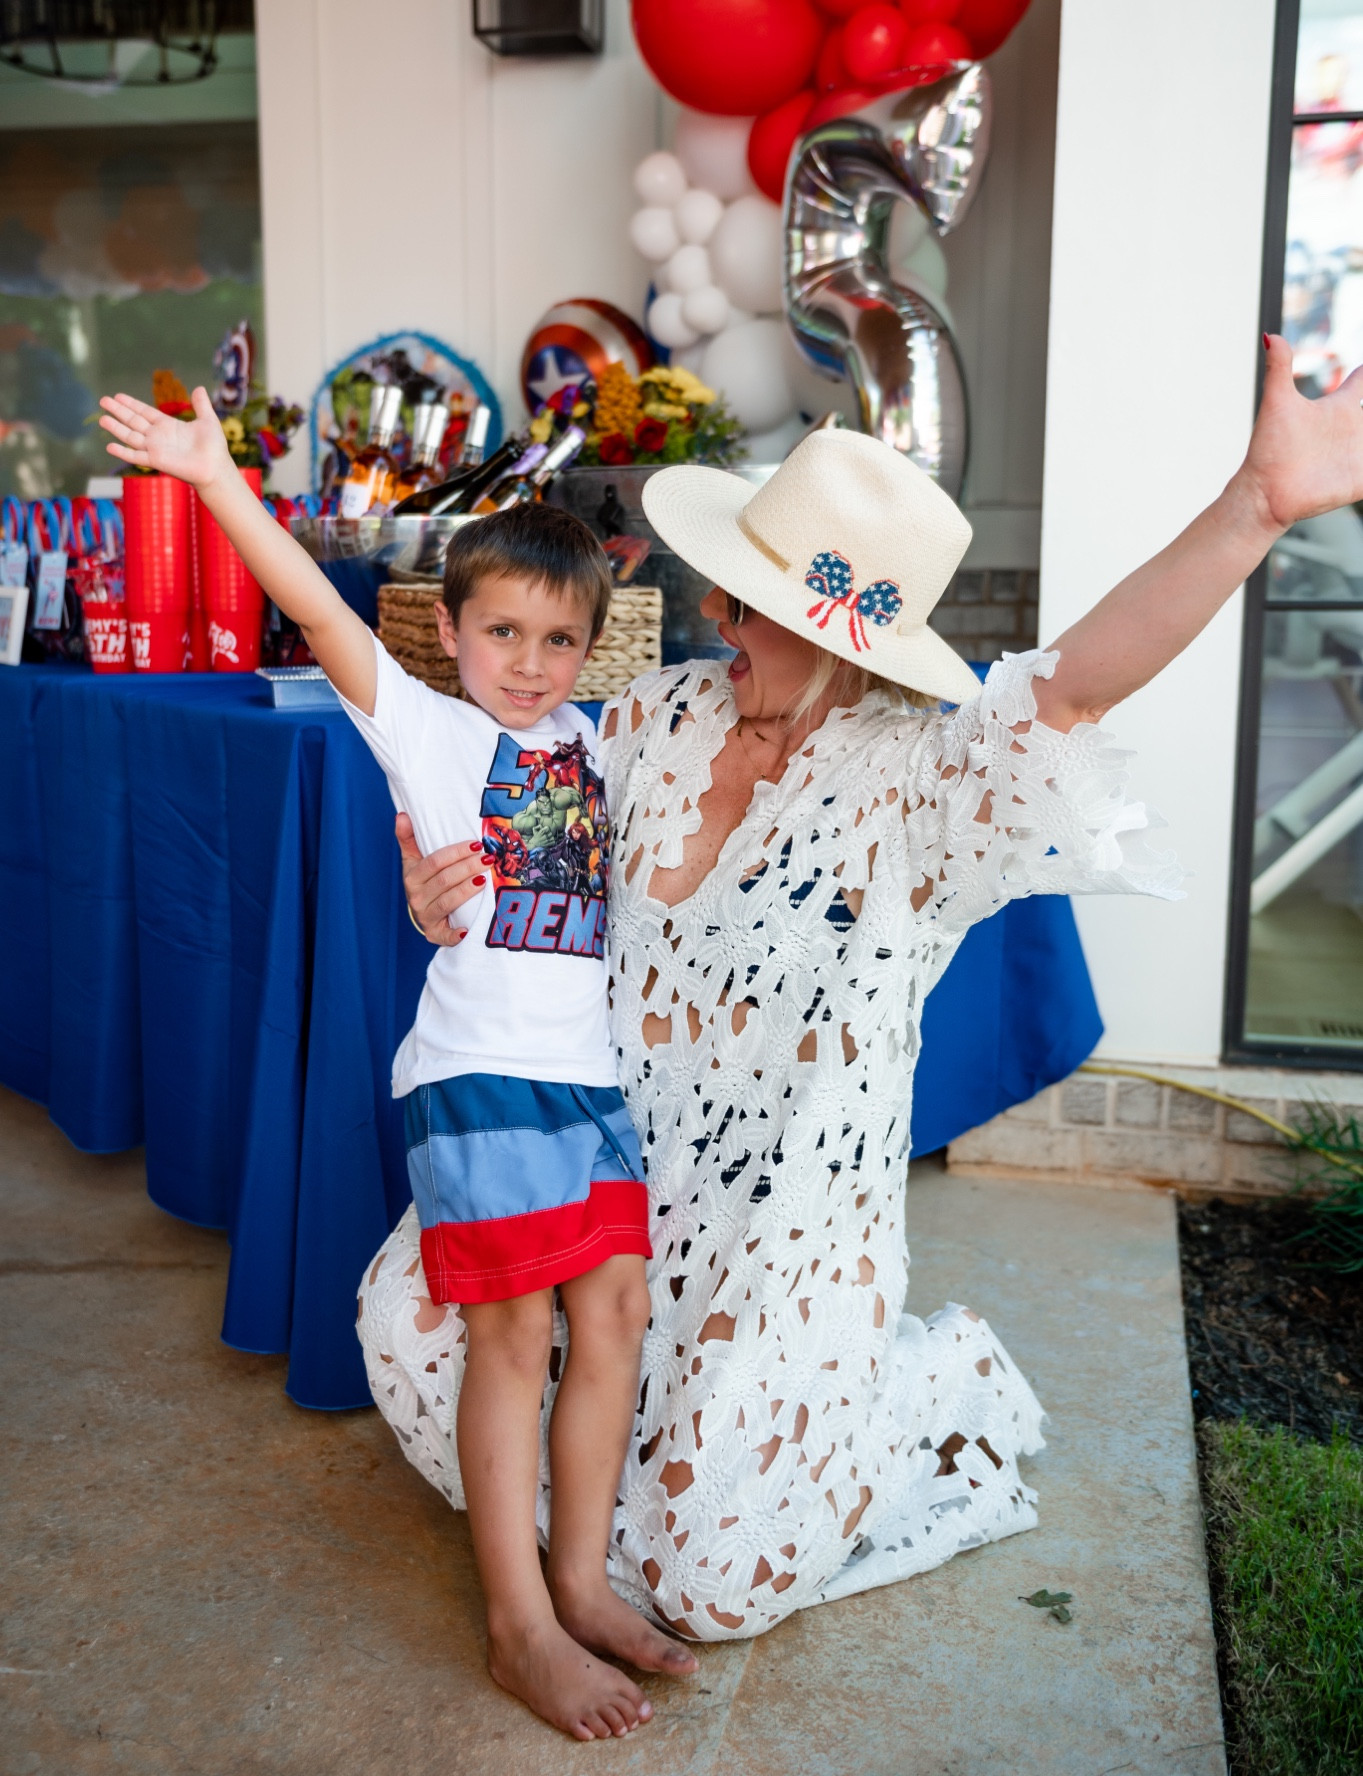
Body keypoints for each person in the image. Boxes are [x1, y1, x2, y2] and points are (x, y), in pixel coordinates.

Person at [365, 339, 1363, 1643]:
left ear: (846, 628)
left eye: (750, 601)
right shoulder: (653, 719)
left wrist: (1257, 507)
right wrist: (441, 895)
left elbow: (1074, 679)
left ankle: (888, 1390)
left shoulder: (920, 784)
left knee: (709, 1582)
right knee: (405, 1333)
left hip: (785, 1239)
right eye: (722, 588)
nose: (714, 619)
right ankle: (554, 1582)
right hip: (600, 1174)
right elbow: (513, 851)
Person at [97, 388, 700, 1739]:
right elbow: (316, 611)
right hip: (477, 1072)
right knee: (515, 1331)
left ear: (593, 649)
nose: (531, 665)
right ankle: (518, 1626)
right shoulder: (432, 732)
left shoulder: (601, 748)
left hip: (591, 1081)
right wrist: (213, 478)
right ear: (451, 631)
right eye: (503, 633)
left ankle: (582, 1582)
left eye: (559, 640)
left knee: (612, 1321)